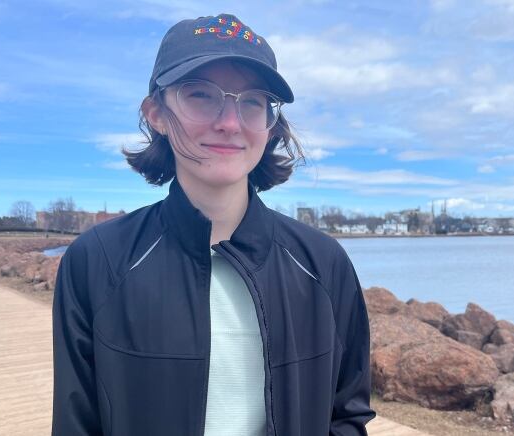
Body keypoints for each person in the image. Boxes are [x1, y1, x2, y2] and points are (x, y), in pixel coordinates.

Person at [52, 13, 374, 436]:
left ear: (270, 125)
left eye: (252, 101)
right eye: (200, 95)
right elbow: (77, 423)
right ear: (157, 113)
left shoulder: (322, 262)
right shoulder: (98, 261)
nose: (229, 121)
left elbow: (346, 413)